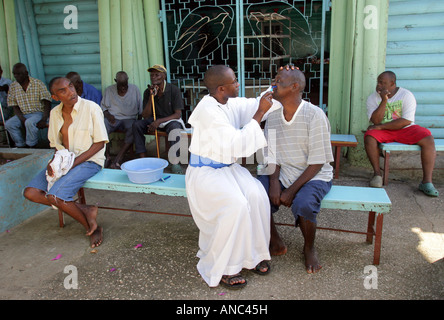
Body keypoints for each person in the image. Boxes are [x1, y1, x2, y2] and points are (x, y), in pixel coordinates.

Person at [185, 65, 279, 289]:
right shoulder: (208, 111)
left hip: (228, 169)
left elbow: (257, 102)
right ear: (221, 89)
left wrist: (278, 84)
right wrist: (259, 114)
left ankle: (253, 256)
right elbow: (237, 144)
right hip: (205, 174)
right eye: (234, 82)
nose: (238, 84)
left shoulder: (227, 102)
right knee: (235, 206)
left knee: (256, 196)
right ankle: (226, 267)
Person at [258, 65, 334, 274]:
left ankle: (309, 247)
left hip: (314, 175)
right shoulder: (272, 117)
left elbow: (318, 162)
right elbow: (270, 154)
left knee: (304, 203)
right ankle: (275, 239)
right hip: (283, 172)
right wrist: (274, 183)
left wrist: (291, 191)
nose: (273, 84)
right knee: (257, 194)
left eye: (278, 81)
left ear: (294, 87)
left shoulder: (314, 115)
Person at [23, 77, 109, 248]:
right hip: (64, 161)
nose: (71, 92)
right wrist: (53, 162)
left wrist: (74, 164)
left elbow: (100, 143)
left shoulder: (91, 108)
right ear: (55, 97)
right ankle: (85, 209)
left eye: (70, 86)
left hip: (89, 160)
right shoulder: (55, 113)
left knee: (56, 196)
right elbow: (56, 144)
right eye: (63, 90)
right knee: (30, 193)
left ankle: (92, 227)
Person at [364, 71, 438, 196]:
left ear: (392, 83)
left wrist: (380, 127)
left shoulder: (406, 95)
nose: (379, 86)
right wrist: (384, 101)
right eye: (378, 82)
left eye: (383, 83)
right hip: (385, 130)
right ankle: (377, 175)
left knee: (428, 138)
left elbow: (406, 121)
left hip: (404, 128)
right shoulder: (373, 98)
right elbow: (375, 120)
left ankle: (427, 182)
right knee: (369, 136)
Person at [132, 64, 185, 174]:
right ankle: (143, 158)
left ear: (164, 76)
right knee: (137, 125)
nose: (153, 77)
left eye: (157, 75)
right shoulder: (148, 92)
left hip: (170, 119)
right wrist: (152, 97)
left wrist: (159, 121)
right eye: (152, 75)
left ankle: (175, 162)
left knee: (175, 128)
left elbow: (177, 114)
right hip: (154, 119)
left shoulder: (173, 90)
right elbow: (145, 115)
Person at [101, 71, 142, 168]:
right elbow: (103, 109)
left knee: (133, 127)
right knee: (102, 125)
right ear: (116, 81)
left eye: (125, 84)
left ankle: (118, 158)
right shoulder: (109, 90)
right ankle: (107, 156)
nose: (123, 87)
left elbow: (140, 110)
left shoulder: (134, 89)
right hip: (113, 118)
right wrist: (108, 115)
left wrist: (139, 123)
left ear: (128, 80)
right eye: (120, 85)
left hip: (129, 118)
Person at [5, 63, 52, 148]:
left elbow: (47, 101)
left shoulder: (37, 83)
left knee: (29, 122)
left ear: (26, 73)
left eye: (19, 74)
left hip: (38, 113)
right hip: (23, 114)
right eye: (14, 74)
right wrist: (22, 118)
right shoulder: (13, 86)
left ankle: (32, 145)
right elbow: (14, 105)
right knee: (9, 124)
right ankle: (21, 146)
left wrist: (44, 118)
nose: (16, 76)